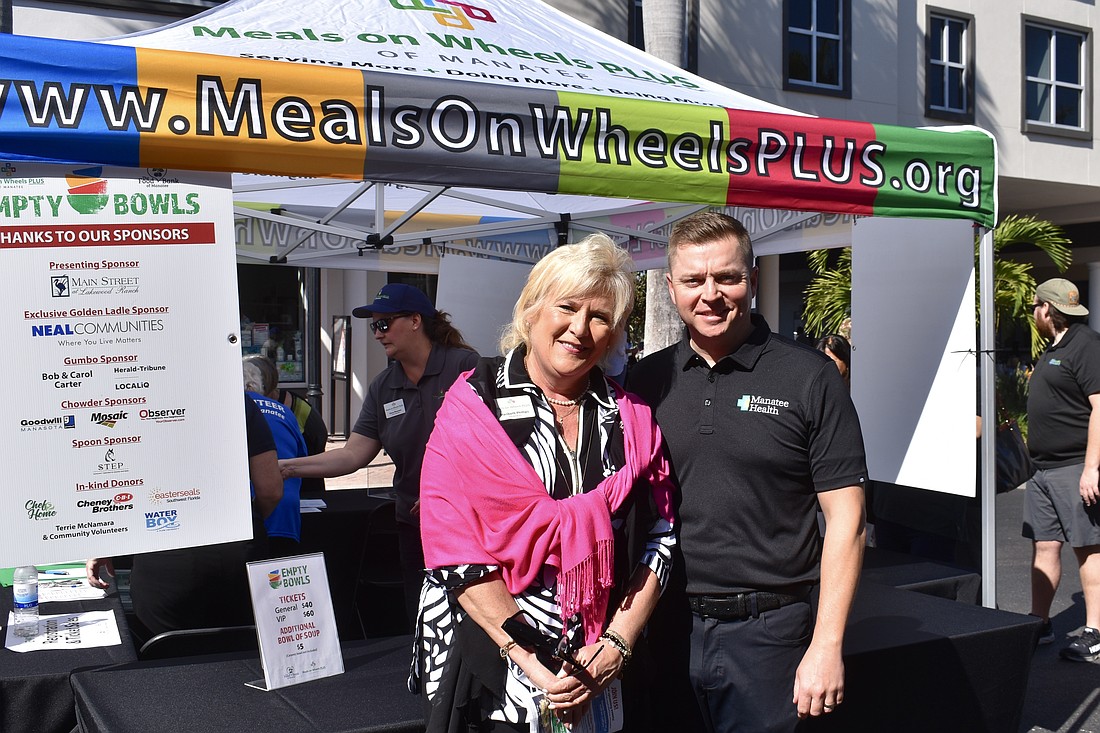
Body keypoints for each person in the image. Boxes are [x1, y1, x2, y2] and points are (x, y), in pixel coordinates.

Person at [415, 234, 676, 731]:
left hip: (603, 667)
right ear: (532, 309)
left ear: (615, 332)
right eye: (567, 307)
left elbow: (660, 535)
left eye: (599, 317)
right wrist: (535, 664)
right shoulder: (474, 406)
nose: (580, 328)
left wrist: (616, 646)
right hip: (501, 672)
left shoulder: (633, 418)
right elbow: (454, 546)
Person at [630, 211, 867, 732]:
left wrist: (827, 646)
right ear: (671, 287)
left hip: (772, 636)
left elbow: (847, 519)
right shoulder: (645, 382)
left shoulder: (810, 377)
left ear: (753, 280)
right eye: (694, 280)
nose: (710, 294)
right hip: (665, 628)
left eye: (727, 277)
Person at [280, 283, 478, 627]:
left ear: (415, 320)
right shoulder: (383, 386)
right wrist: (284, 467)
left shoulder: (466, 366)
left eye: (384, 324)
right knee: (422, 620)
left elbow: (494, 447)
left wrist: (447, 495)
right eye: (374, 326)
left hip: (470, 523)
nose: (377, 334)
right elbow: (353, 455)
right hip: (414, 525)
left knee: (473, 619)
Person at [87, 395, 283, 643]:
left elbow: (114, 478)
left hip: (164, 558)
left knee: (171, 666)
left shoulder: (128, 401)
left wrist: (108, 538)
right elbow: (270, 489)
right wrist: (245, 523)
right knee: (246, 660)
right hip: (239, 555)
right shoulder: (236, 399)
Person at [1024, 277, 1100, 660]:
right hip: (1042, 470)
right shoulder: (1056, 346)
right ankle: (1040, 622)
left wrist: (1092, 468)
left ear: (1046, 309)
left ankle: (1095, 630)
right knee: (1045, 544)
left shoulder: (1085, 344)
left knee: (1088, 547)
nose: (1033, 313)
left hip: (1073, 466)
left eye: (1034, 306)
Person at [244, 354, 308, 557]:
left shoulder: (232, 411)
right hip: (286, 515)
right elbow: (301, 457)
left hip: (252, 515)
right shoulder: (284, 411)